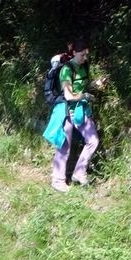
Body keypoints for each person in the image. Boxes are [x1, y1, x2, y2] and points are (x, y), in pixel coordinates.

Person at [49, 38, 105, 192]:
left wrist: (96, 84)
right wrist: (85, 96)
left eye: (87, 55)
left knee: (93, 140)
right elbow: (68, 95)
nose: (85, 58)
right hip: (66, 111)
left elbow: (84, 85)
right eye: (82, 55)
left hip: (81, 111)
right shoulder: (66, 70)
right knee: (64, 147)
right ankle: (57, 181)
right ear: (74, 53)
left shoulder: (84, 66)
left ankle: (79, 172)